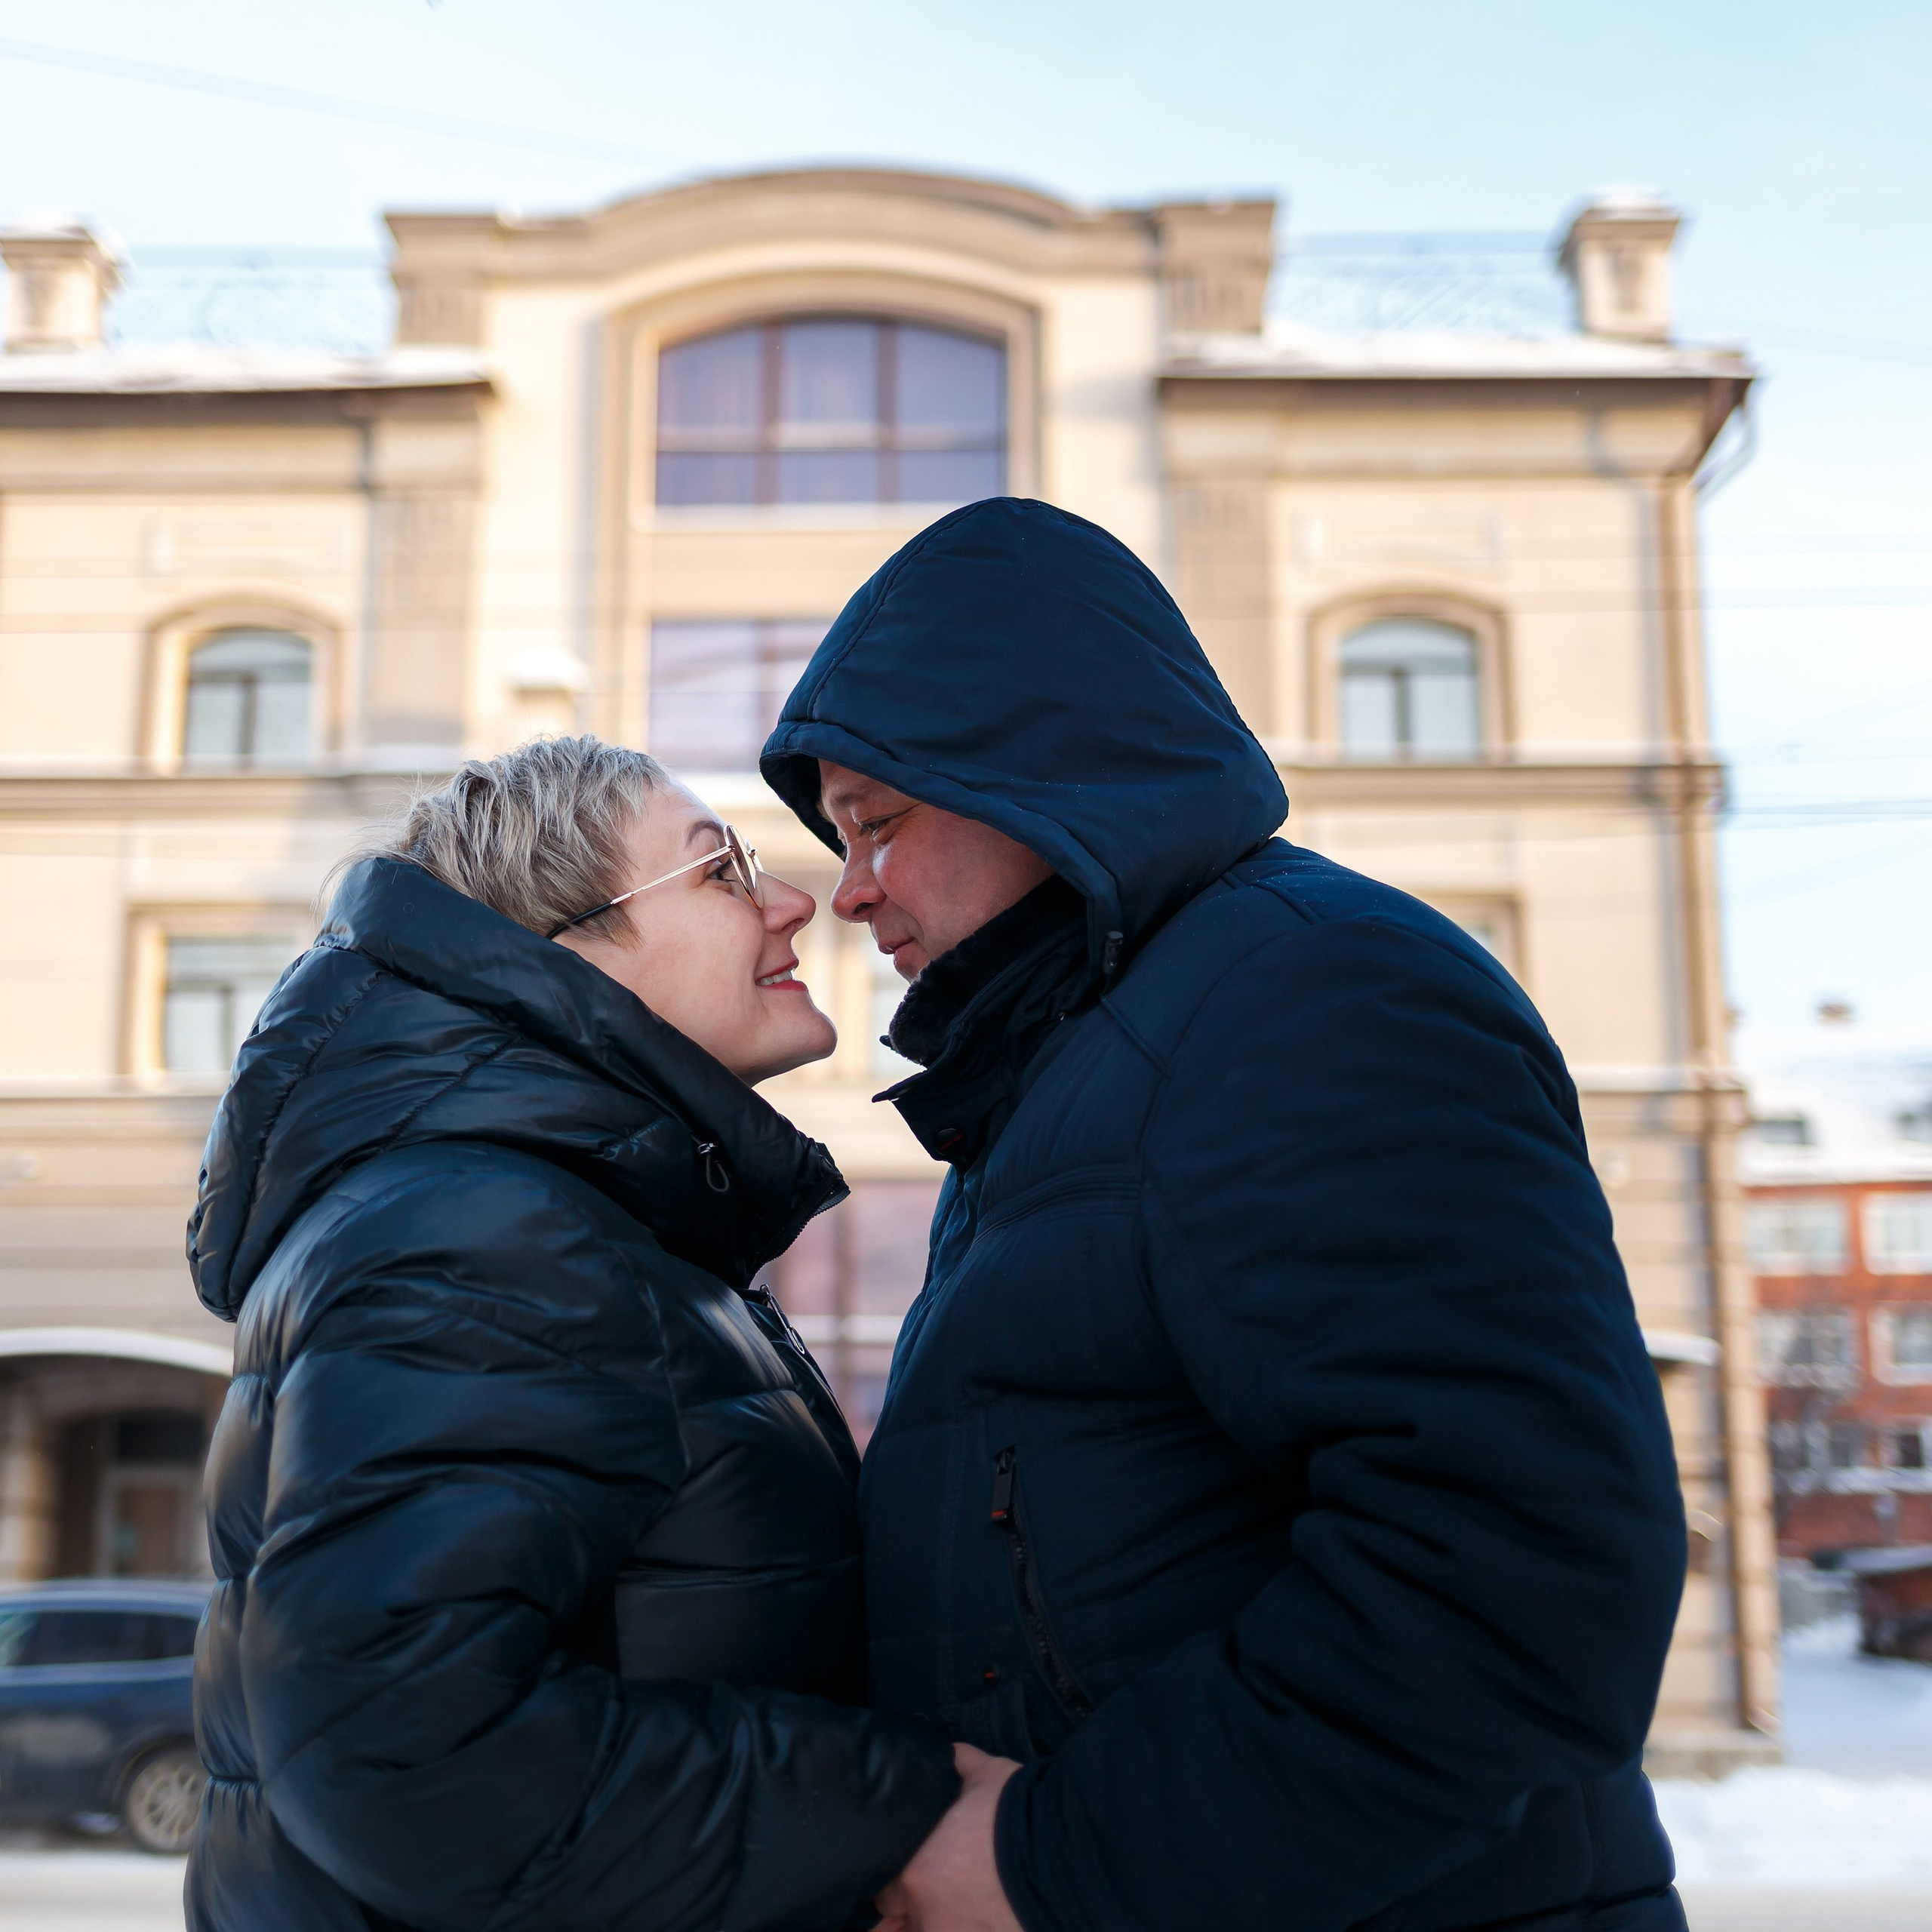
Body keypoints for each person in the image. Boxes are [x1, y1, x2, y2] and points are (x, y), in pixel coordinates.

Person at [760, 497, 1691, 1932]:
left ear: (1033, 771)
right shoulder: (1065, 1068)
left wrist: (1052, 1857)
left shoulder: (1312, 998)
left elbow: (1515, 1570)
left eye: (878, 824)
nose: (851, 891)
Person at [185, 738, 959, 1932]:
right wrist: (916, 1816)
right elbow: (404, 1754)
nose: (797, 901)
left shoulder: (565, 1217)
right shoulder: (480, 1233)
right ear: (559, 949)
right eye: (722, 872)